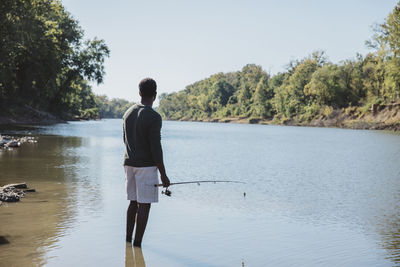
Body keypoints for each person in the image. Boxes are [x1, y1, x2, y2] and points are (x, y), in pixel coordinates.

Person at [123, 78, 170, 247]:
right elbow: (156, 148)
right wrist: (163, 175)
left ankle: (128, 241)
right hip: (146, 167)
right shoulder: (154, 117)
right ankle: (137, 245)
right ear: (155, 95)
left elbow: (125, 140)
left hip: (129, 164)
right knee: (145, 205)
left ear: (139, 93)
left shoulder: (127, 113)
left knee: (133, 202)